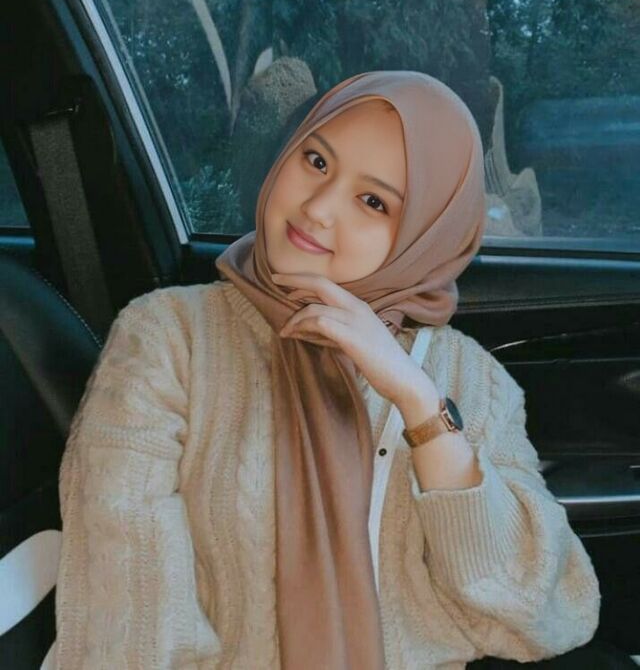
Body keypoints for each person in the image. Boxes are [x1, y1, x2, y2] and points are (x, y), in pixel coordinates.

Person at [54, 71, 629, 669]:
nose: (318, 208)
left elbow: (543, 614)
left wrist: (420, 407)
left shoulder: (468, 379)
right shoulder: (170, 337)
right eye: (316, 161)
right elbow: (126, 615)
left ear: (426, 234)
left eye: (373, 201)